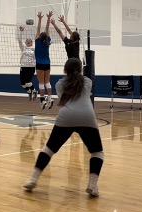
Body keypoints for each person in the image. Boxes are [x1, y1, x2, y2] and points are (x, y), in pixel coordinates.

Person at [23, 58, 104, 197]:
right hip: (87, 116)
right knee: (97, 153)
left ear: (65, 70)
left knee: (48, 150)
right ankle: (92, 185)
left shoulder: (59, 84)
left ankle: (33, 179)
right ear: (80, 70)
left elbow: (67, 89)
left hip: (67, 116)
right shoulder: (88, 82)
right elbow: (80, 81)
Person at [34, 11, 54, 109]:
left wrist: (40, 19)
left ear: (39, 36)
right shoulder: (47, 41)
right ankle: (50, 98)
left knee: (41, 83)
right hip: (47, 64)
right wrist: (48, 18)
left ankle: (42, 100)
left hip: (39, 65)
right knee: (47, 82)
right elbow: (47, 28)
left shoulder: (37, 41)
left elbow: (38, 29)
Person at [18, 25, 38, 101]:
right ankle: (29, 91)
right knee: (23, 84)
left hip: (31, 67)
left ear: (32, 43)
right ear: (26, 43)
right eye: (27, 41)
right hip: (23, 66)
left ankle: (35, 91)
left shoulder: (34, 48)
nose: (28, 41)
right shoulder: (23, 48)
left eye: (30, 41)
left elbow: (37, 40)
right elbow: (20, 40)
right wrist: (21, 32)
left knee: (28, 82)